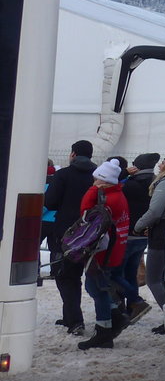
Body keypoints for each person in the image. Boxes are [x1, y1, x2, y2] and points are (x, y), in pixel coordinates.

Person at [77, 159, 139, 350]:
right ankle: (115, 318)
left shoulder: (108, 199)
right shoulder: (117, 195)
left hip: (104, 252)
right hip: (113, 249)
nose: (93, 183)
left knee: (96, 288)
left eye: (96, 180)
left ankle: (105, 330)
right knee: (99, 287)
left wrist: (92, 191)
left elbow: (86, 214)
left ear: (103, 181)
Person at [43, 139, 97, 336]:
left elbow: (50, 201)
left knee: (64, 276)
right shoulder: (97, 176)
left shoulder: (63, 174)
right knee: (80, 275)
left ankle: (75, 320)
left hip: (65, 233)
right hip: (91, 233)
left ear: (73, 154)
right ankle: (70, 316)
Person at [135, 154, 165, 334]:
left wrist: (139, 225)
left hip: (160, 235)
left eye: (164, 162)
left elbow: (155, 211)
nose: (160, 165)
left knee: (153, 279)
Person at [119, 152, 159, 315]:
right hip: (145, 234)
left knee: (118, 273)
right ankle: (132, 306)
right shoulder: (156, 182)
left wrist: (124, 173)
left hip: (127, 233)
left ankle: (132, 301)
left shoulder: (130, 184)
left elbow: (110, 184)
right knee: (131, 272)